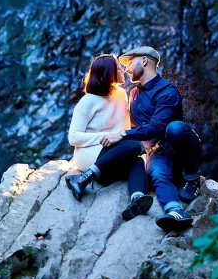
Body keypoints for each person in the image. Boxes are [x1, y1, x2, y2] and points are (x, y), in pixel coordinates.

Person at [100, 46, 202, 232]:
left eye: (130, 62)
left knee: (175, 128)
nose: (126, 69)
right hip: (159, 152)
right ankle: (175, 211)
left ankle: (193, 178)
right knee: (155, 171)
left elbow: (156, 127)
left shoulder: (168, 91)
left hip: (180, 149)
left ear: (144, 61)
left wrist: (122, 134)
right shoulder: (134, 94)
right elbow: (133, 127)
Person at [66, 54, 153, 221]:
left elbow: (125, 127)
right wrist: (107, 136)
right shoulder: (88, 101)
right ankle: (83, 177)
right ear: (109, 73)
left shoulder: (120, 94)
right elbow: (73, 137)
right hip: (89, 154)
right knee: (135, 146)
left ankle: (137, 199)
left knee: (138, 161)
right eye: (118, 68)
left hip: (114, 155)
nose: (123, 70)